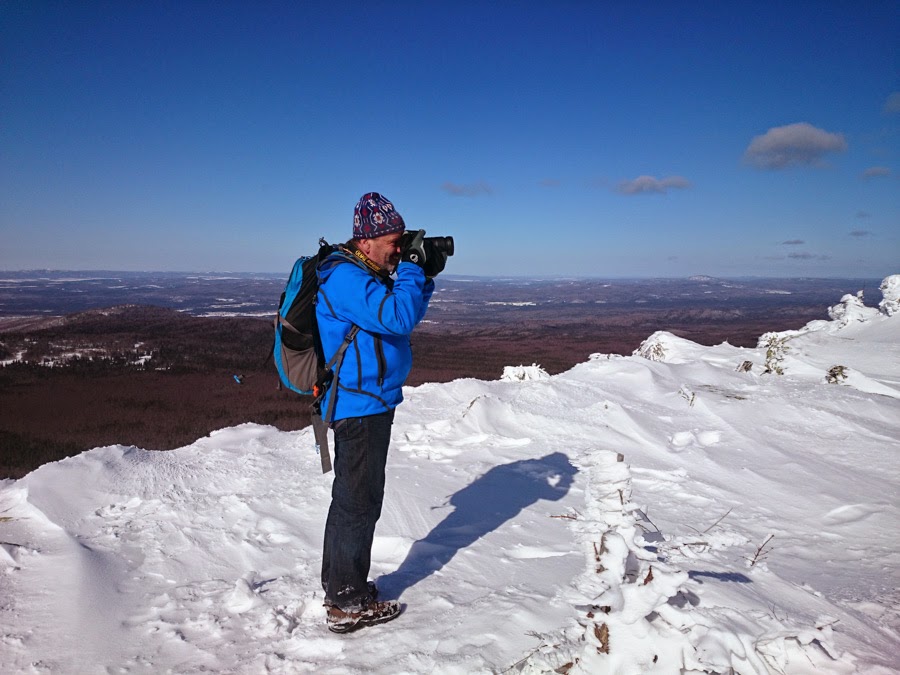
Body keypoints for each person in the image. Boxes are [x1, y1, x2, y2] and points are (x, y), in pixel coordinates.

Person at [315, 192, 447, 633]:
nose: (397, 250)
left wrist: (422, 276)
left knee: (352, 500)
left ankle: (340, 587)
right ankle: (347, 601)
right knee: (358, 503)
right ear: (366, 240)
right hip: (360, 406)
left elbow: (403, 313)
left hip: (370, 401)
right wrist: (410, 267)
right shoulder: (347, 278)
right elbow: (397, 319)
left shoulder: (365, 272)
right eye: (393, 243)